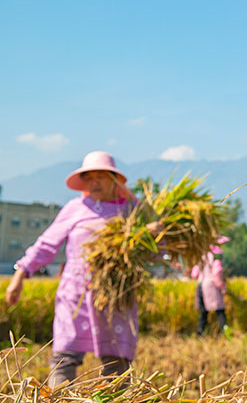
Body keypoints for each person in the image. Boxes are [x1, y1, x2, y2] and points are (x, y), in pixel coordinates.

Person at [4, 151, 161, 387]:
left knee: (116, 363)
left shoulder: (131, 211)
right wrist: (20, 274)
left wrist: (139, 212)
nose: (94, 182)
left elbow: (157, 237)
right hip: (74, 294)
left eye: (101, 176)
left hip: (114, 296)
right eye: (89, 177)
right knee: (63, 358)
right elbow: (46, 244)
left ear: (114, 180)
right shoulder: (75, 208)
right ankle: (58, 399)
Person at [191, 236, 229, 336]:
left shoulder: (203, 257)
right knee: (220, 311)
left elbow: (194, 273)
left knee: (203, 312)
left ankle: (200, 333)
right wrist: (223, 287)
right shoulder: (216, 258)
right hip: (211, 287)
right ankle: (225, 332)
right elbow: (216, 274)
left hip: (200, 287)